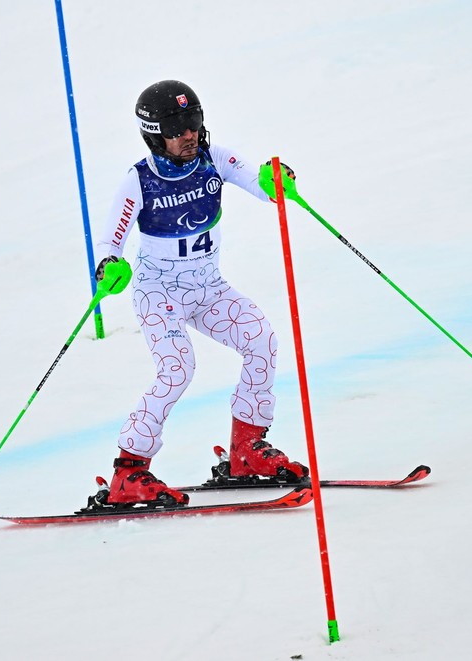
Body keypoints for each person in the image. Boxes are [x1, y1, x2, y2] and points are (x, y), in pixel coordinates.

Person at [90, 80, 308, 508]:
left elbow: (263, 187)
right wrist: (107, 266)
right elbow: (108, 241)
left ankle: (246, 451)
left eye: (193, 122)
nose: (189, 134)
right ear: (154, 135)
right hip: (160, 292)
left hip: (207, 287)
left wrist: (275, 180)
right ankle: (128, 473)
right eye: (176, 129)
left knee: (260, 340)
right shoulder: (140, 180)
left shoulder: (216, 159)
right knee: (177, 370)